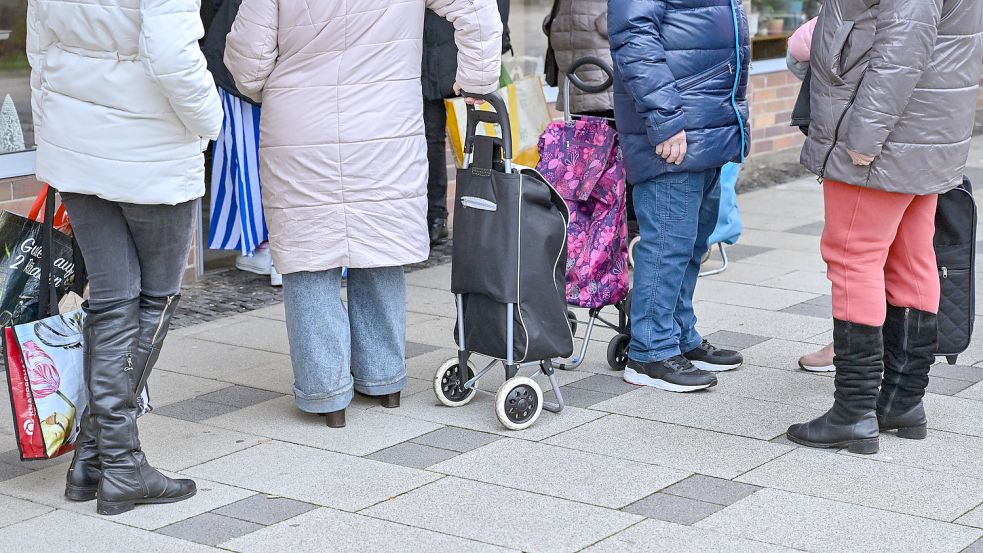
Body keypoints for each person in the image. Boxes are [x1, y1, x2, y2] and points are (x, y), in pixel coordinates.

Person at [225, 0, 502, 428]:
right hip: (385, 122)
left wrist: (278, 87)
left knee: (308, 255)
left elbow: (247, 59)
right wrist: (475, 81)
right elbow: (477, 10)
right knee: (380, 243)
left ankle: (325, 394)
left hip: (301, 125)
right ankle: (383, 380)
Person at [27, 0, 223, 515]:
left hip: (76, 146)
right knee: (155, 298)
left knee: (112, 300)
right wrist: (211, 121)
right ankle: (118, 463)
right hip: (152, 150)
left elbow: (39, 50)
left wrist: (54, 132)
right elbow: (175, 58)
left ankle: (96, 458)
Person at [787, 0, 983, 454]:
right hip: (923, 133)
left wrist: (862, 137)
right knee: (912, 259)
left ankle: (852, 414)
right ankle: (901, 403)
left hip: (884, 137)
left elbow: (900, 50)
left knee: (852, 258)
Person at [607, 0, 750, 392]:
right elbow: (635, 41)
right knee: (668, 244)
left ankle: (679, 335)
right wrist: (666, 120)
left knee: (691, 244)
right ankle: (650, 352)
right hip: (676, 131)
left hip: (705, 125)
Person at [202, 0, 280, 286]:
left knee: (253, 160)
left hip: (245, 66)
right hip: (310, 73)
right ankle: (277, 250)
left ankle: (270, 248)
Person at [421, 0, 510, 246]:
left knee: (478, 135)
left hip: (461, 53)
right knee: (431, 138)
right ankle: (436, 216)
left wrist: (493, 46)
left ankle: (487, 211)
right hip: (431, 53)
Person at [784, 17, 836, 374]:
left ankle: (848, 349)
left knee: (853, 256)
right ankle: (900, 371)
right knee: (911, 257)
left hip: (863, 145)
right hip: (932, 146)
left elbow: (798, 49)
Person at [548, 0, 614, 116]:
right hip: (571, 69)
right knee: (579, 127)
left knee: (606, 125)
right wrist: (553, 23)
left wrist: (611, 21)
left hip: (600, 69)